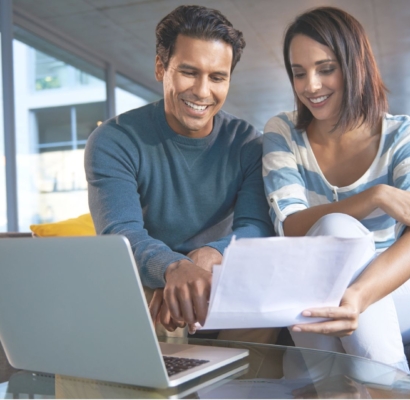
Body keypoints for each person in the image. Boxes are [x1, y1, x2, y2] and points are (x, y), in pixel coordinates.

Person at [262, 6, 410, 373]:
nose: (310, 86)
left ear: (355, 65)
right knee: (330, 239)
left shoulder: (404, 136)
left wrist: (359, 295)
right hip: (322, 282)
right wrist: (374, 197)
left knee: (333, 246)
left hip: (405, 280)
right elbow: (291, 227)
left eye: (326, 68)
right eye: (298, 73)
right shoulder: (283, 132)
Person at [85, 5, 278, 344]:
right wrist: (172, 270)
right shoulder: (114, 141)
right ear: (162, 67)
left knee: (270, 305)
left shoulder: (248, 143)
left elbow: (255, 227)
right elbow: (122, 233)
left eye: (217, 77)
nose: (203, 91)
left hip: (222, 273)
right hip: (148, 281)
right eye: (189, 72)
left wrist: (210, 256)